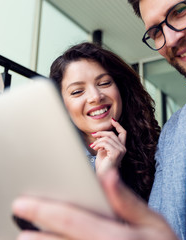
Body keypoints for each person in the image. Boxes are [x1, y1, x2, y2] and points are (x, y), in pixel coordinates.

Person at [12, 0, 186, 239]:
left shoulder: (151, 146)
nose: (171, 38)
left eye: (180, 11)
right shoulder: (174, 133)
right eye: (156, 31)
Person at [50, 42, 160, 201]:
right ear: (61, 104)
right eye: (77, 91)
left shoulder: (155, 153)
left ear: (121, 90)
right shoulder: (49, 162)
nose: (95, 96)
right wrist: (105, 180)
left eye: (104, 83)